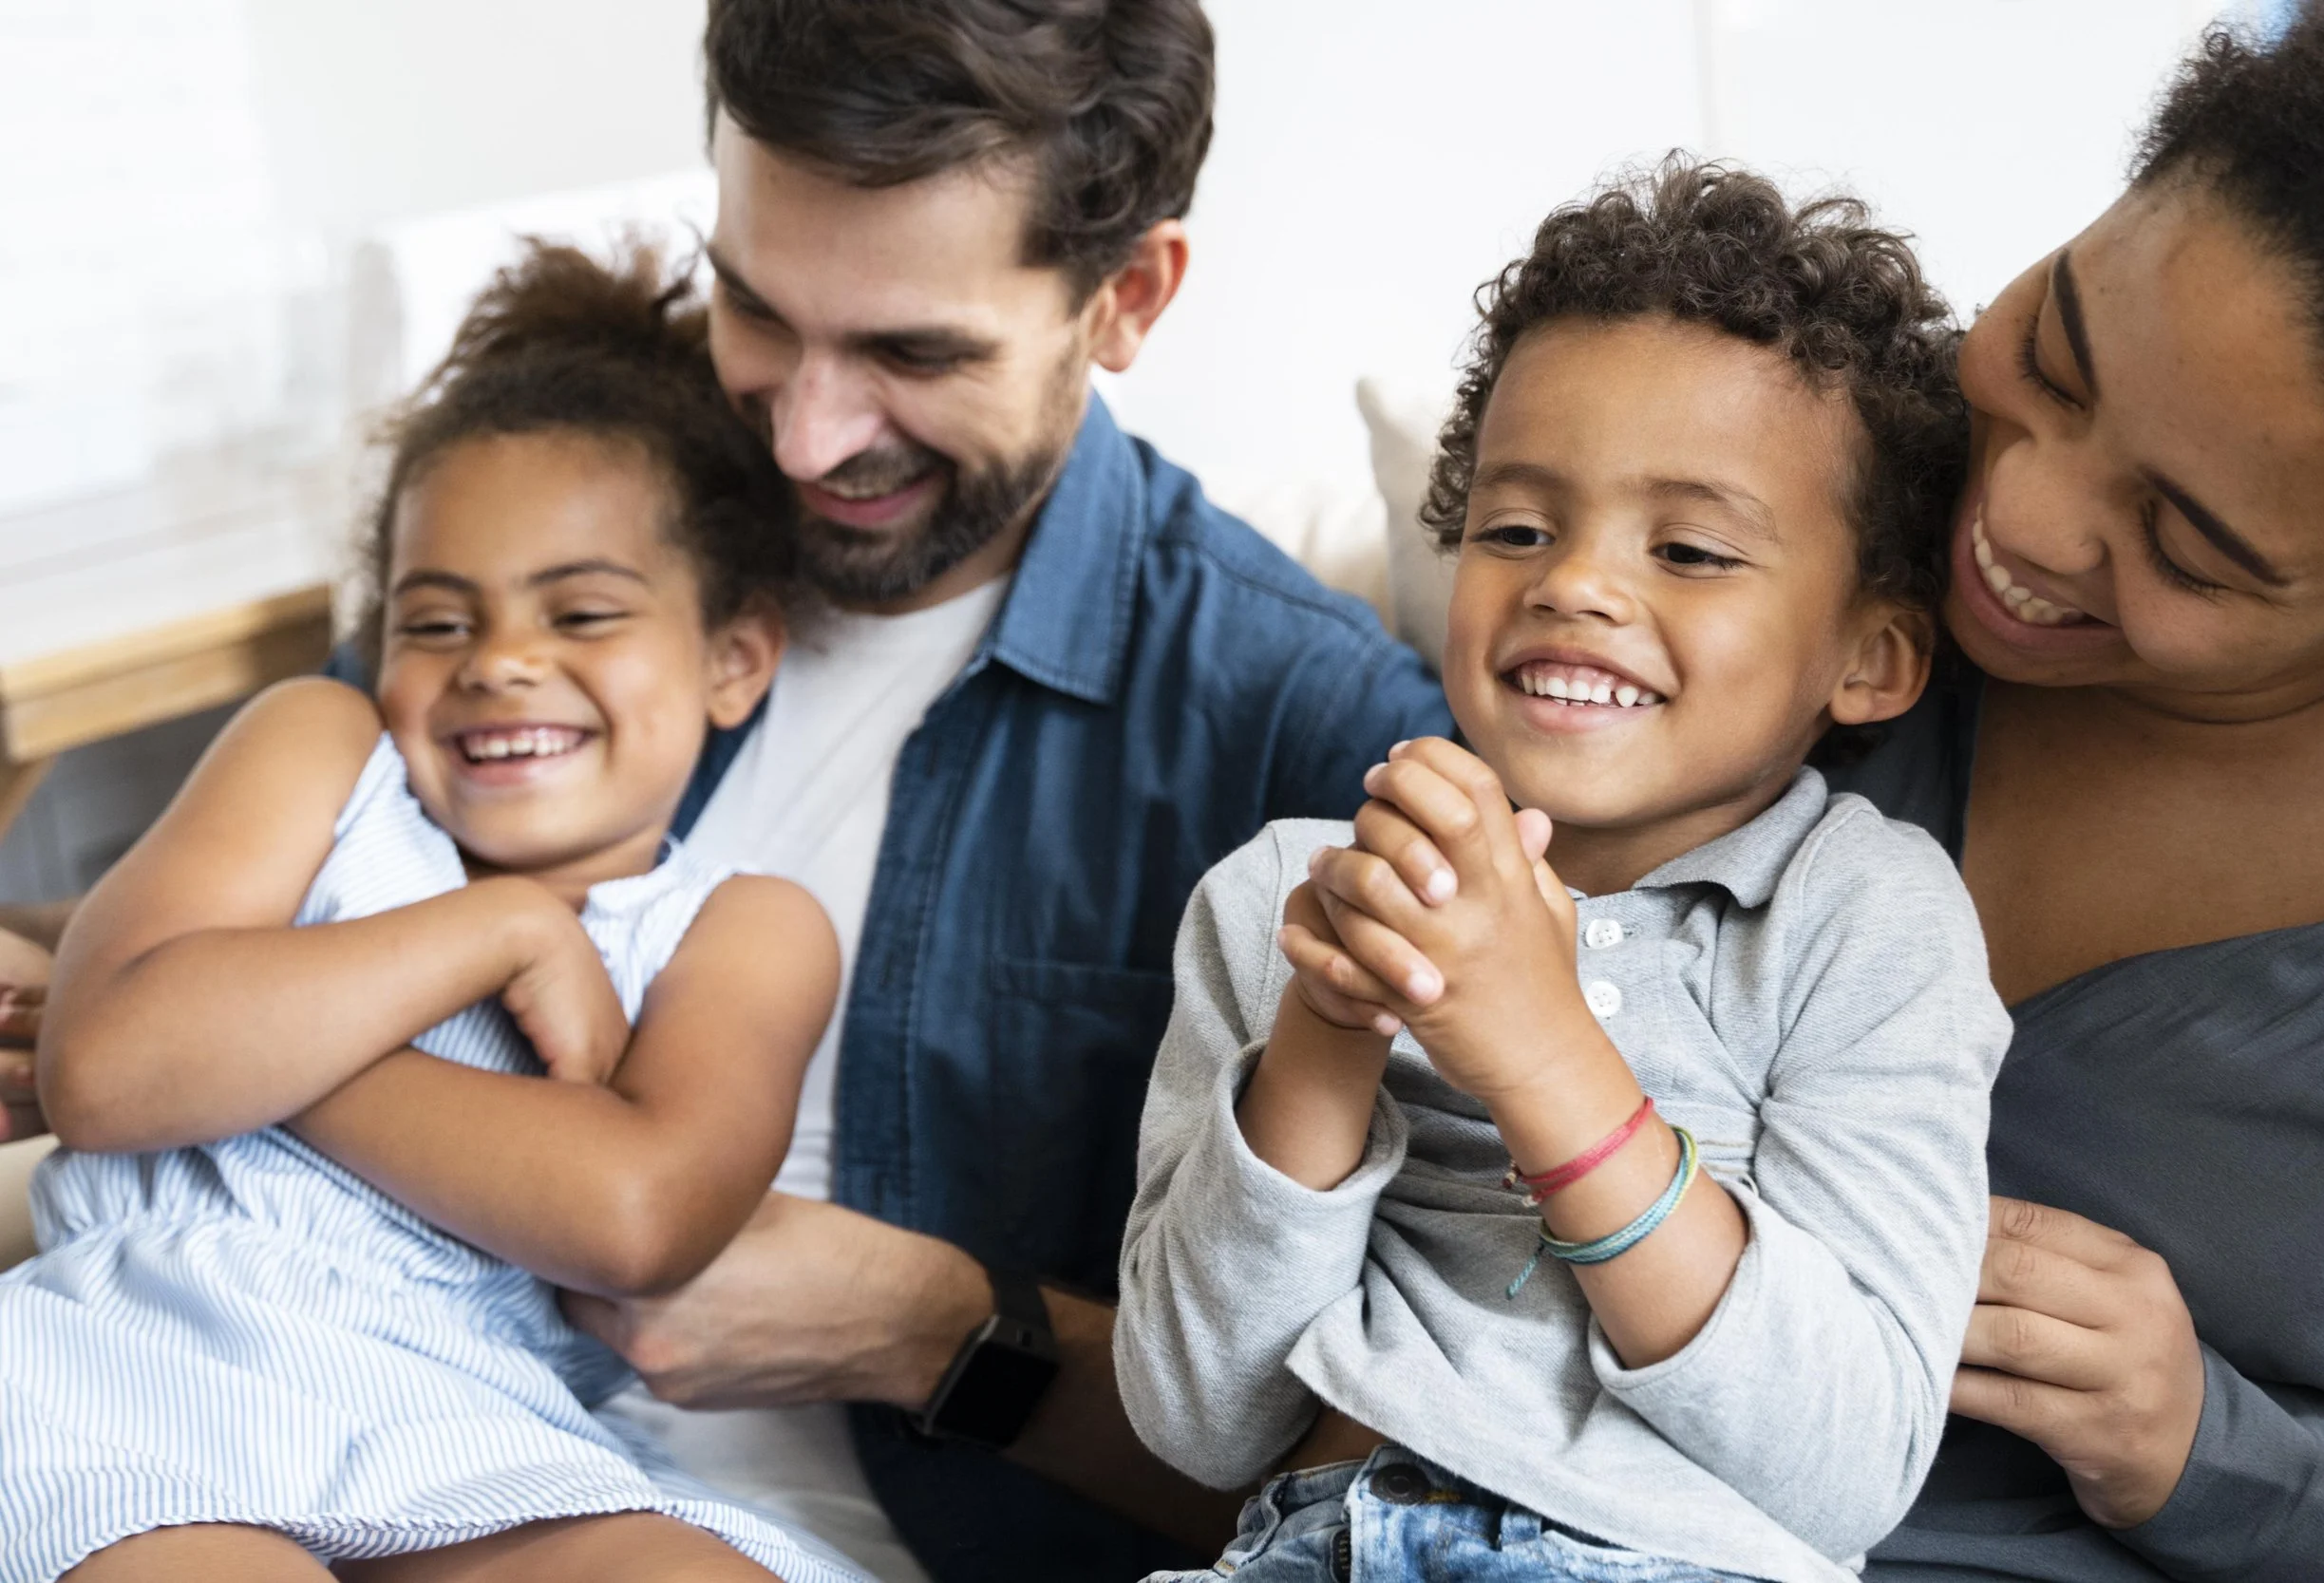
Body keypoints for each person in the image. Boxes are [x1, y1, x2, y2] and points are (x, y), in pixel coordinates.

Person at [549, 4, 1457, 1581]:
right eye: (755, 307)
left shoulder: (1306, 736)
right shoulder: (580, 514)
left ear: (1128, 298)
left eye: (914, 352)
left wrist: (932, 1332)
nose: (805, 430)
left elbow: (1411, 1486)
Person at [1117, 164, 2009, 1583]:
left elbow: (1845, 1471)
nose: (1575, 583)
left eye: (1692, 548)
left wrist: (1543, 1052)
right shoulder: (1288, 893)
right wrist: (1329, 1031)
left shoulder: (1866, 918)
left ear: (1871, 655)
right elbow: (1201, 1417)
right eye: (1517, 527)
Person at [0, 245, 858, 1581]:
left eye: (581, 610)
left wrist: (238, 1043)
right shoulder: (321, 751)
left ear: (732, 658)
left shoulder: (741, 929)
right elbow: (107, 1070)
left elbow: (636, 1212)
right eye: (437, 623)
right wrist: (497, 930)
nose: (504, 661)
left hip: (477, 1416)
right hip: (132, 1359)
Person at [1840, 5, 2324, 1577]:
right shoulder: (1815, 507)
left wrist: (2214, 1450)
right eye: (2054, 357)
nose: (2016, 511)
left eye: (2186, 544)